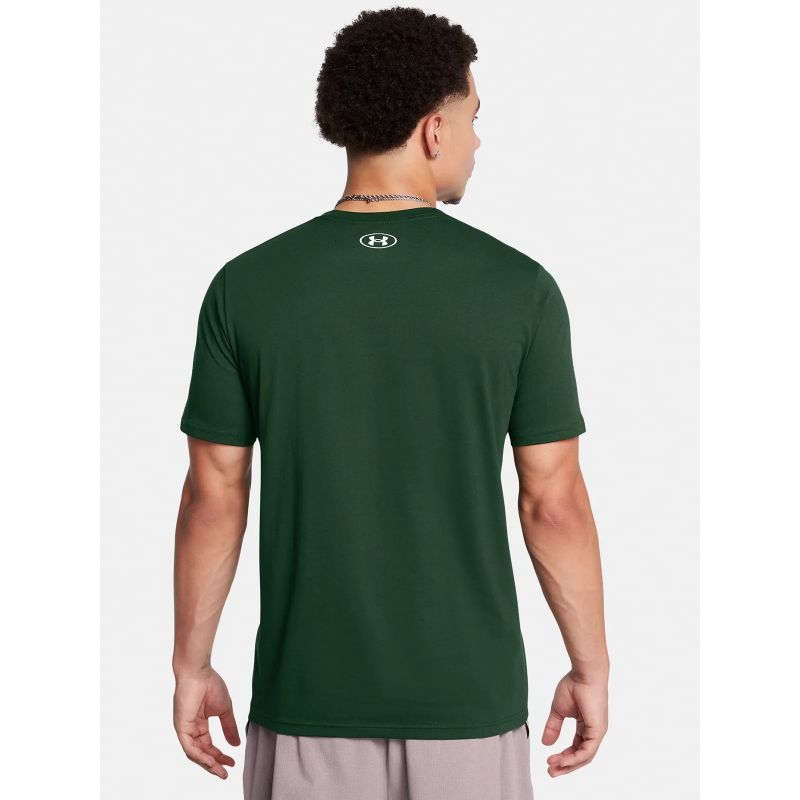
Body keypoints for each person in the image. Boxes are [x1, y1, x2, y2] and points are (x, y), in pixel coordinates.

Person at [172, 7, 609, 799]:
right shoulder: (520, 290)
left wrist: (191, 665)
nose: (477, 141)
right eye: (474, 118)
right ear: (434, 129)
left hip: (306, 705)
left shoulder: (246, 287)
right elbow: (553, 502)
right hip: (468, 707)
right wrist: (591, 668)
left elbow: (215, 492)